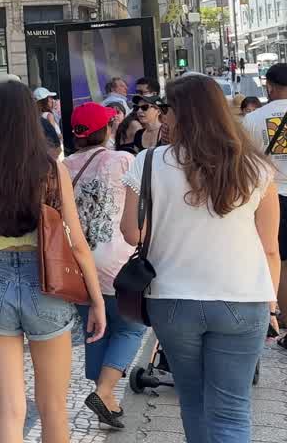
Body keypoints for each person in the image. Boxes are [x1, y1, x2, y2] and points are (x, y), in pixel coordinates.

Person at [121, 74, 280, 443]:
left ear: (183, 114)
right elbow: (269, 247)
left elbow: (132, 233)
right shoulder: (256, 168)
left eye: (166, 109)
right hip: (244, 299)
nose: (162, 117)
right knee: (232, 410)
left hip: (173, 299)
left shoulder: (147, 162)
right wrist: (272, 307)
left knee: (192, 401)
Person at [0, 81, 106, 443]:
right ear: (29, 118)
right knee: (52, 407)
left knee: (10, 407)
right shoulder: (50, 168)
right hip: (46, 280)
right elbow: (77, 242)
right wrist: (96, 299)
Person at [65, 103, 142, 428]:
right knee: (131, 326)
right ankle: (106, 390)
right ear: (107, 128)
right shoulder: (123, 159)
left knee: (94, 329)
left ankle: (106, 397)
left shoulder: (64, 165)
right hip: (117, 259)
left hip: (78, 263)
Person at [240, 62, 287, 336]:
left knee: (274, 254)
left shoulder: (253, 119)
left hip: (270, 196)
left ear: (268, 86)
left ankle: (276, 313)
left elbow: (245, 163)